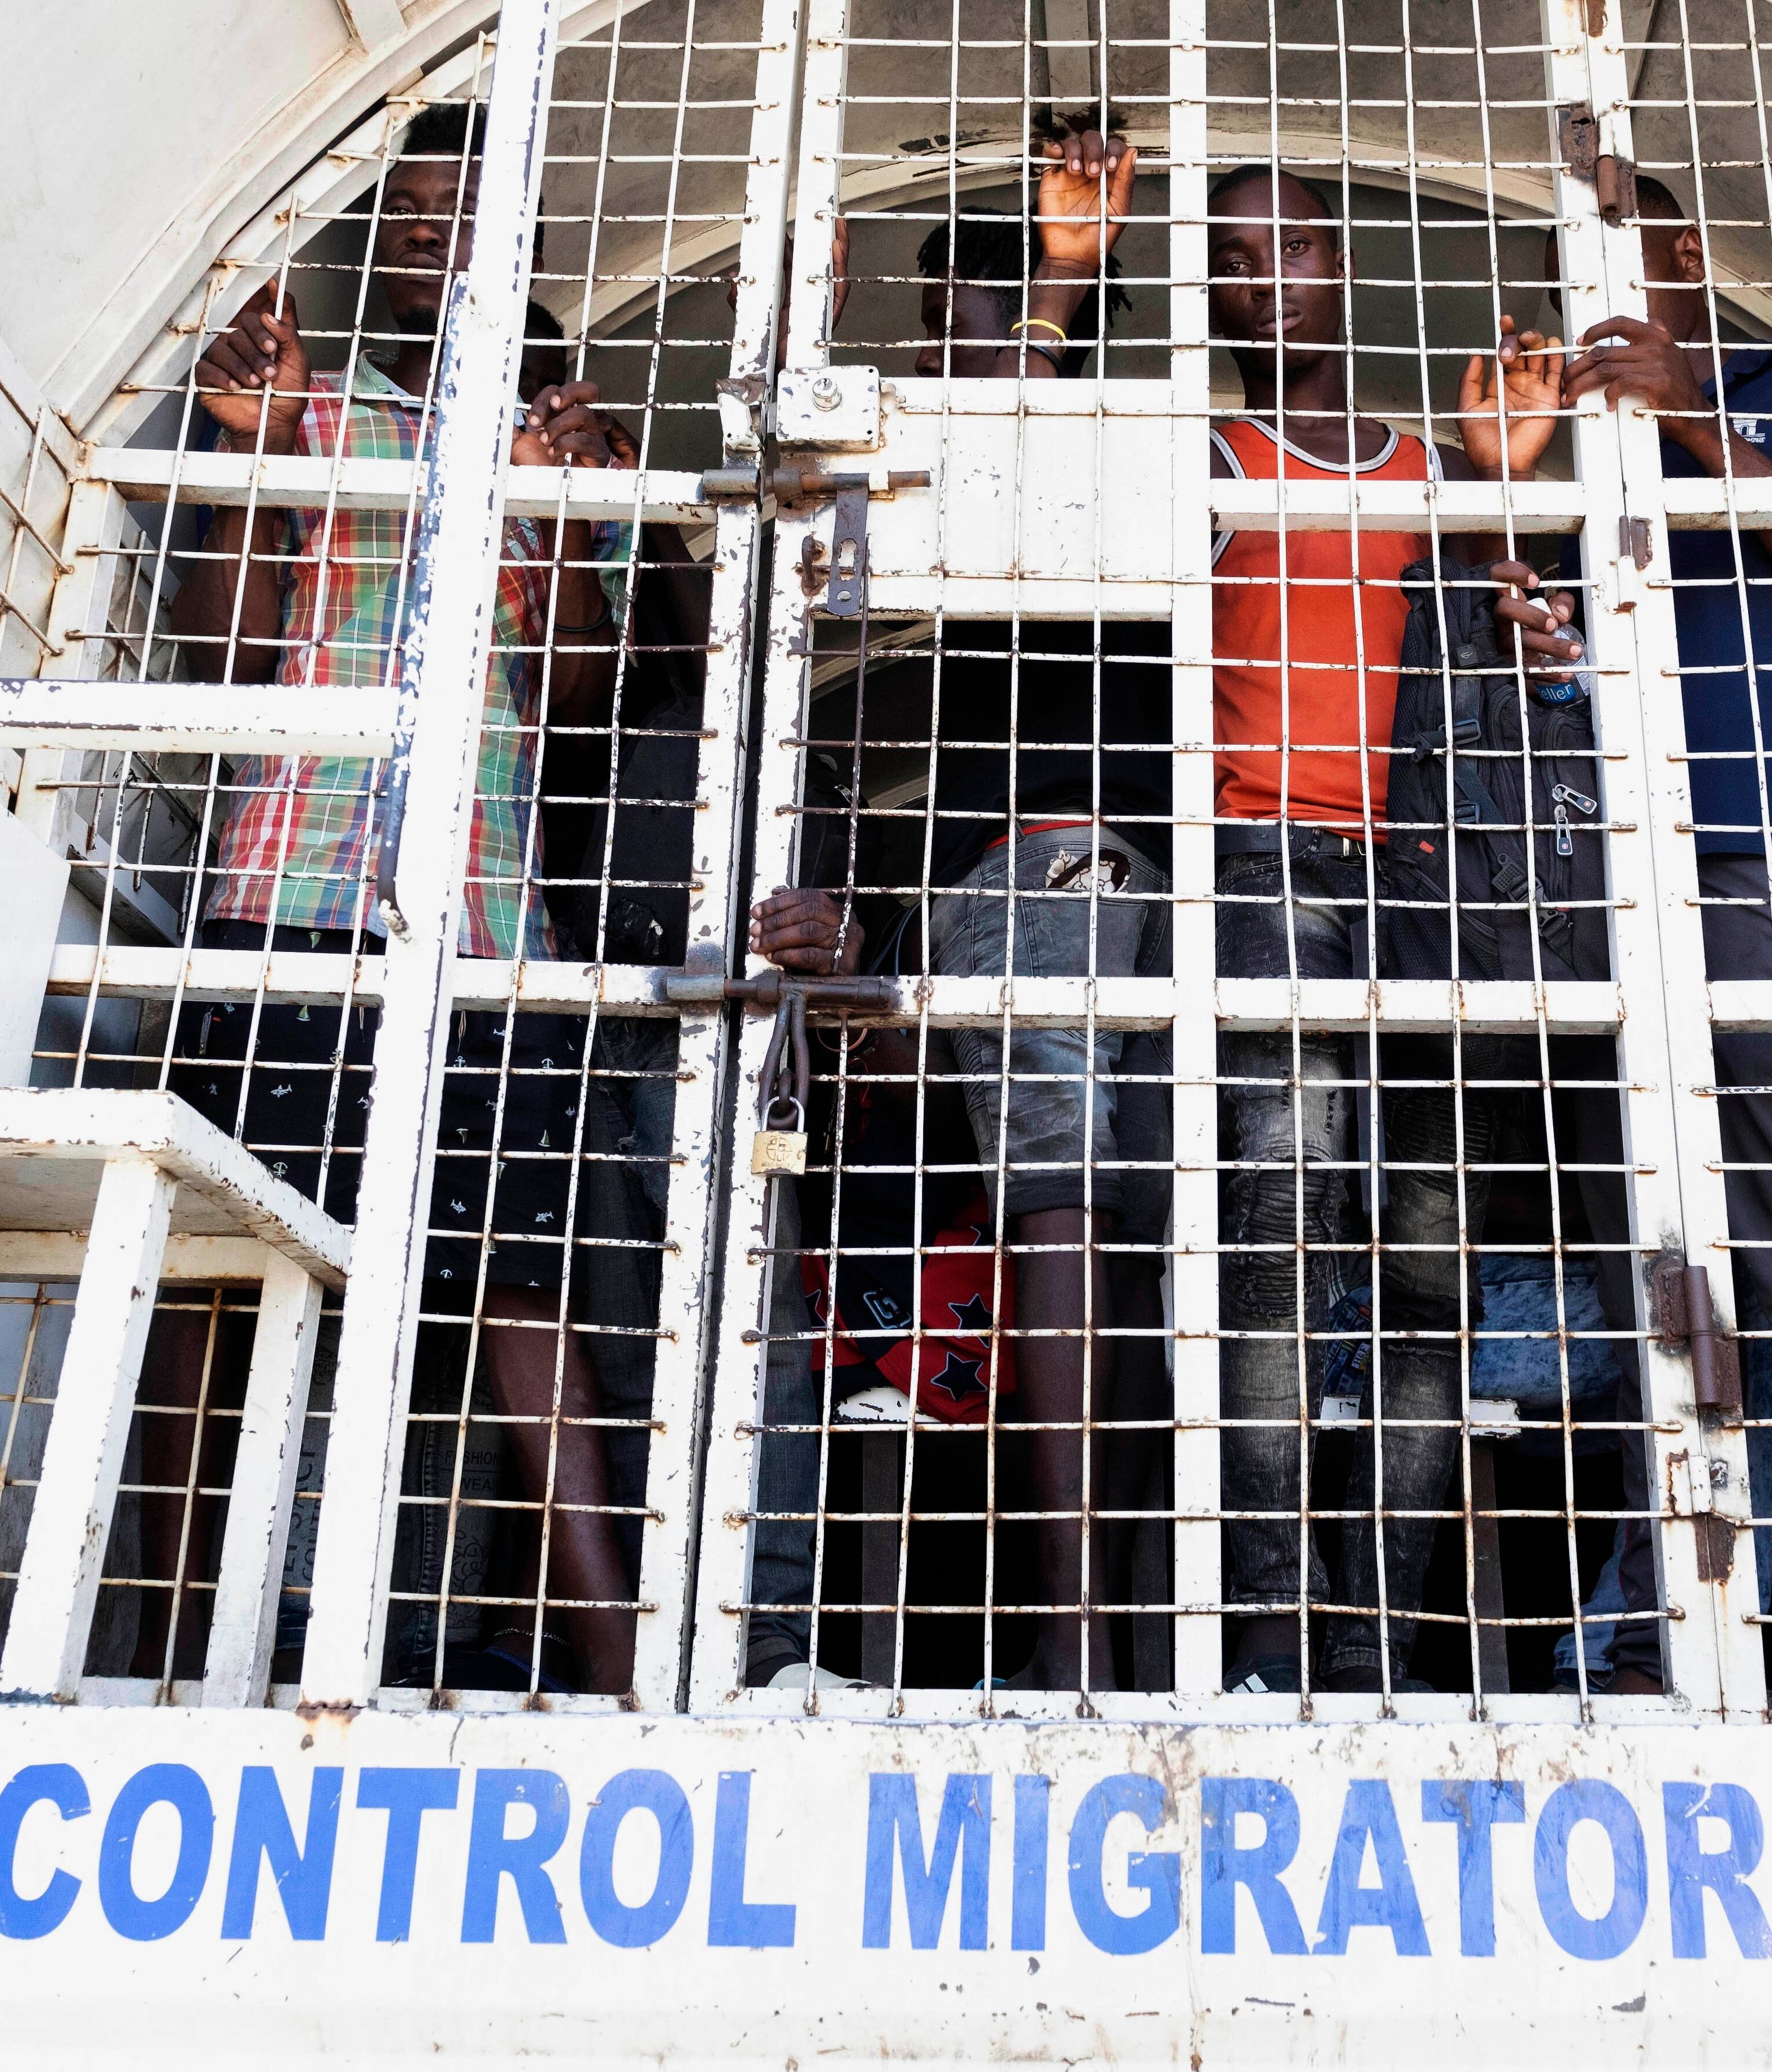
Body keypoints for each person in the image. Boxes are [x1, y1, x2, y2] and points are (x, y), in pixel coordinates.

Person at [152, 102, 642, 1694]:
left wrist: (566, 510)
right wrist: (232, 448)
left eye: (466, 209)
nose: (435, 230)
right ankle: (154, 1649)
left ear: (528, 245)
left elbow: (575, 694)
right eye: (413, 210)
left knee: (520, 1287)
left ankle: (626, 1667)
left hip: (483, 914)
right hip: (287, 891)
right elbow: (225, 646)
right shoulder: (306, 402)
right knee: (223, 1273)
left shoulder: (559, 431)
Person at [748, 132, 1175, 1691]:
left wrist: (1056, 291)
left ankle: (1071, 1633)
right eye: (945, 322)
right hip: (931, 926)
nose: (958, 348)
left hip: (1062, 865)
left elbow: (1024, 437)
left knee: (1061, 1167)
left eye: (987, 321)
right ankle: (806, 1634)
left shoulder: (1095, 463)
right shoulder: (873, 515)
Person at [1510, 186, 1772, 1709]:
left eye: (1631, 239)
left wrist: (1696, 421)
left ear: (1686, 260)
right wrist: (1553, 653)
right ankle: (1679, 1632)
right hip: (1625, 889)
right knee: (1668, 1278)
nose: (1606, 276)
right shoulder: (1560, 429)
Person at [1200, 162, 1573, 1695]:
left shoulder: (1440, 464)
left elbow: (1508, 663)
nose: (1265, 273)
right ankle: (1282, 1626)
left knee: (1427, 1260)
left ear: (1338, 262)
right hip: (1263, 865)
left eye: (1290, 242)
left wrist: (1502, 492)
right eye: (1231, 256)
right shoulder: (1209, 453)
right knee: (1283, 1250)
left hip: (1425, 875)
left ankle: (1382, 1628)